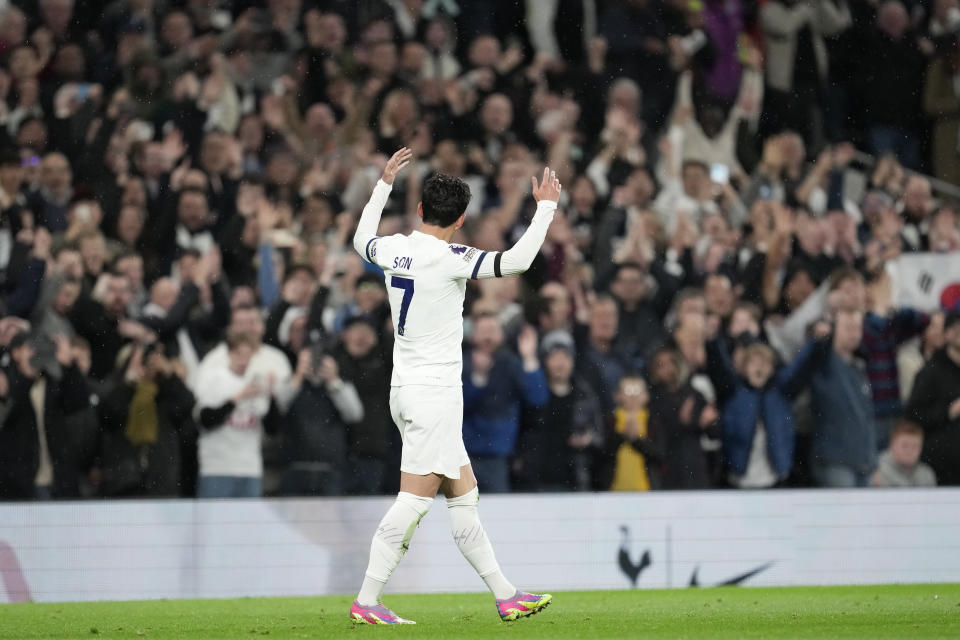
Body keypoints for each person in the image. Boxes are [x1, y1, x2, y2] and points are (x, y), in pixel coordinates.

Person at [349, 148, 556, 624]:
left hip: (406, 391)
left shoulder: (393, 248)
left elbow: (362, 238)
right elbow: (519, 261)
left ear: (420, 210)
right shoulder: (453, 257)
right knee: (414, 501)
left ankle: (506, 595)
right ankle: (367, 599)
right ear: (461, 220)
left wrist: (383, 184)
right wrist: (545, 207)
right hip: (433, 395)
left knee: (464, 495)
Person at [906, 309, 960, 485]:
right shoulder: (931, 371)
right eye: (955, 328)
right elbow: (913, 415)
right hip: (941, 466)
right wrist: (949, 411)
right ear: (945, 334)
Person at [872, 420, 936, 487]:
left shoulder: (927, 475)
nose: (910, 451)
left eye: (915, 446)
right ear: (892, 445)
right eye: (905, 446)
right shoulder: (875, 471)